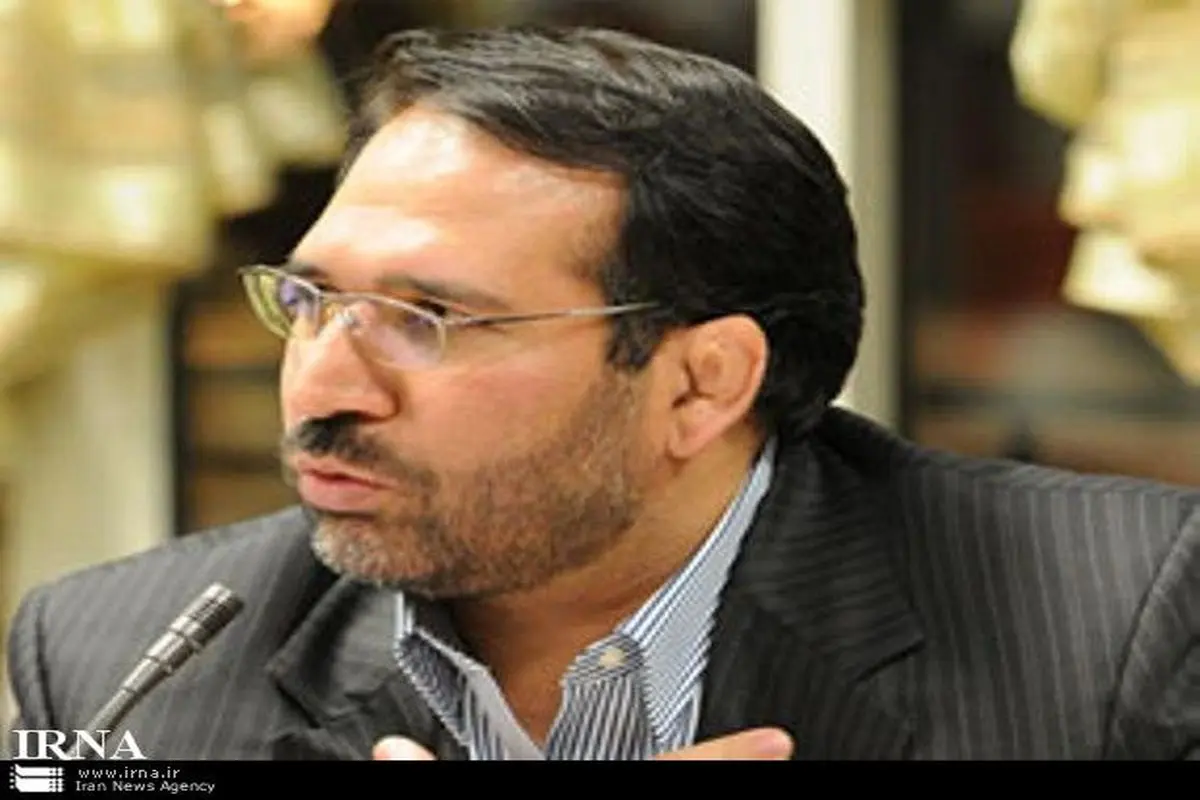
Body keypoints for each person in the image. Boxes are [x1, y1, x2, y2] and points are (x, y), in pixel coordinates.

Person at [5, 26, 1198, 761]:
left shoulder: (1114, 619)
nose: (322, 381)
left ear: (700, 384)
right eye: (311, 299)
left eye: (429, 318)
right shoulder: (119, 660)